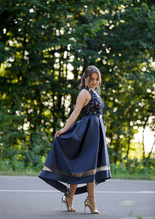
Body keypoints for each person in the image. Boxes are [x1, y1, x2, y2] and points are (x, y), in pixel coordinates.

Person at [39, 65, 111, 214]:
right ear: (85, 78)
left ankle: (70, 197)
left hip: (96, 132)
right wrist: (65, 129)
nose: (95, 82)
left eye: (97, 79)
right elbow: (76, 113)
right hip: (87, 132)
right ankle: (89, 202)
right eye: (92, 79)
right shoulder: (84, 93)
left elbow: (99, 115)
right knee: (87, 167)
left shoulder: (96, 92)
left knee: (84, 167)